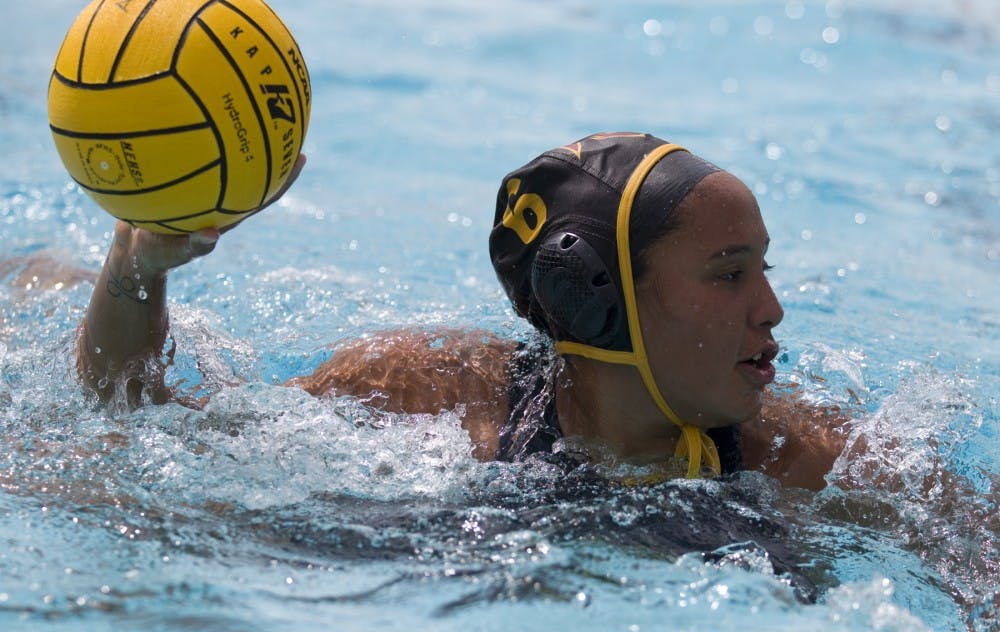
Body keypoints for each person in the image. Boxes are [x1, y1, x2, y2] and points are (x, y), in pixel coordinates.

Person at [75, 132, 848, 491]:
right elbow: (144, 420)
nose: (772, 309)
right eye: (729, 274)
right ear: (598, 297)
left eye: (764, 267)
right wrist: (133, 272)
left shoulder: (792, 455)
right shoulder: (430, 396)